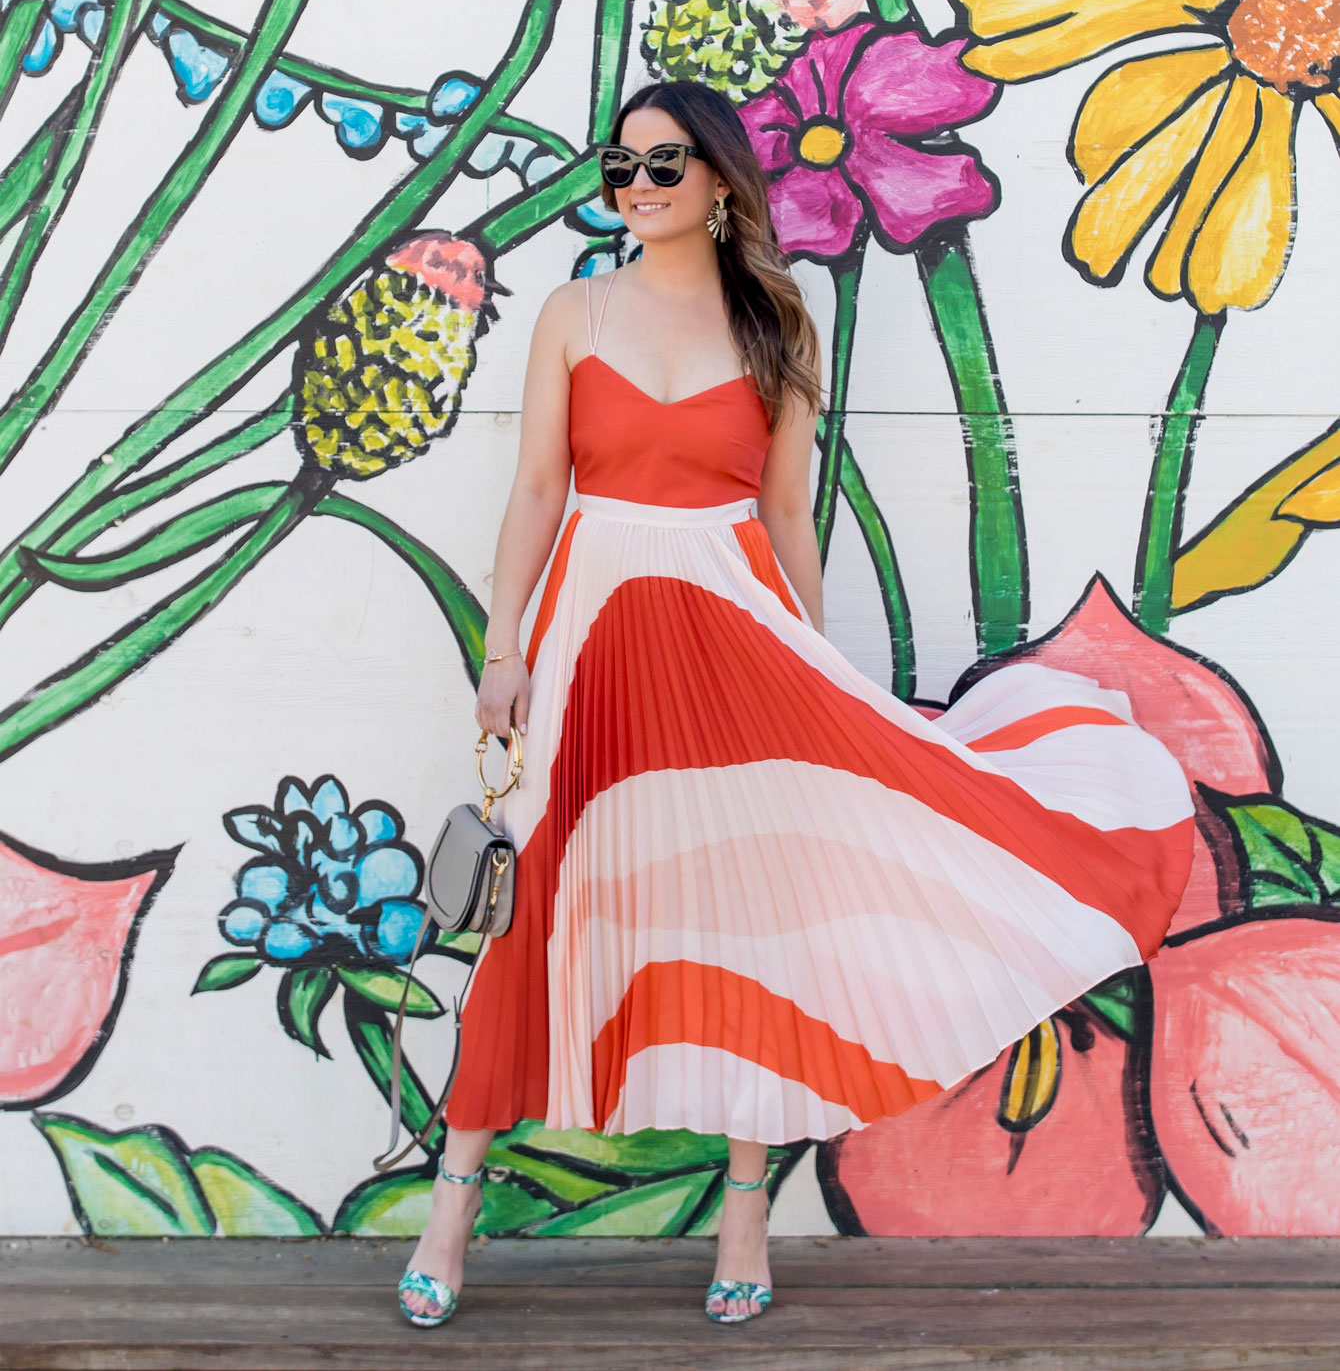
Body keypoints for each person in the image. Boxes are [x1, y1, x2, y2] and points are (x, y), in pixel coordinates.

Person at [397, 81, 1194, 1329]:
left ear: (720, 183)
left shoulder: (779, 322)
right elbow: (536, 488)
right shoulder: (569, 311)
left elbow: (782, 516)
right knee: (535, 911)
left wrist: (810, 670)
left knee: (759, 918)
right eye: (624, 165)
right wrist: (503, 649)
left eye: (666, 166)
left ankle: (744, 1209)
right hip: (589, 634)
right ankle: (453, 1203)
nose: (639, 185)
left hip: (739, 635)